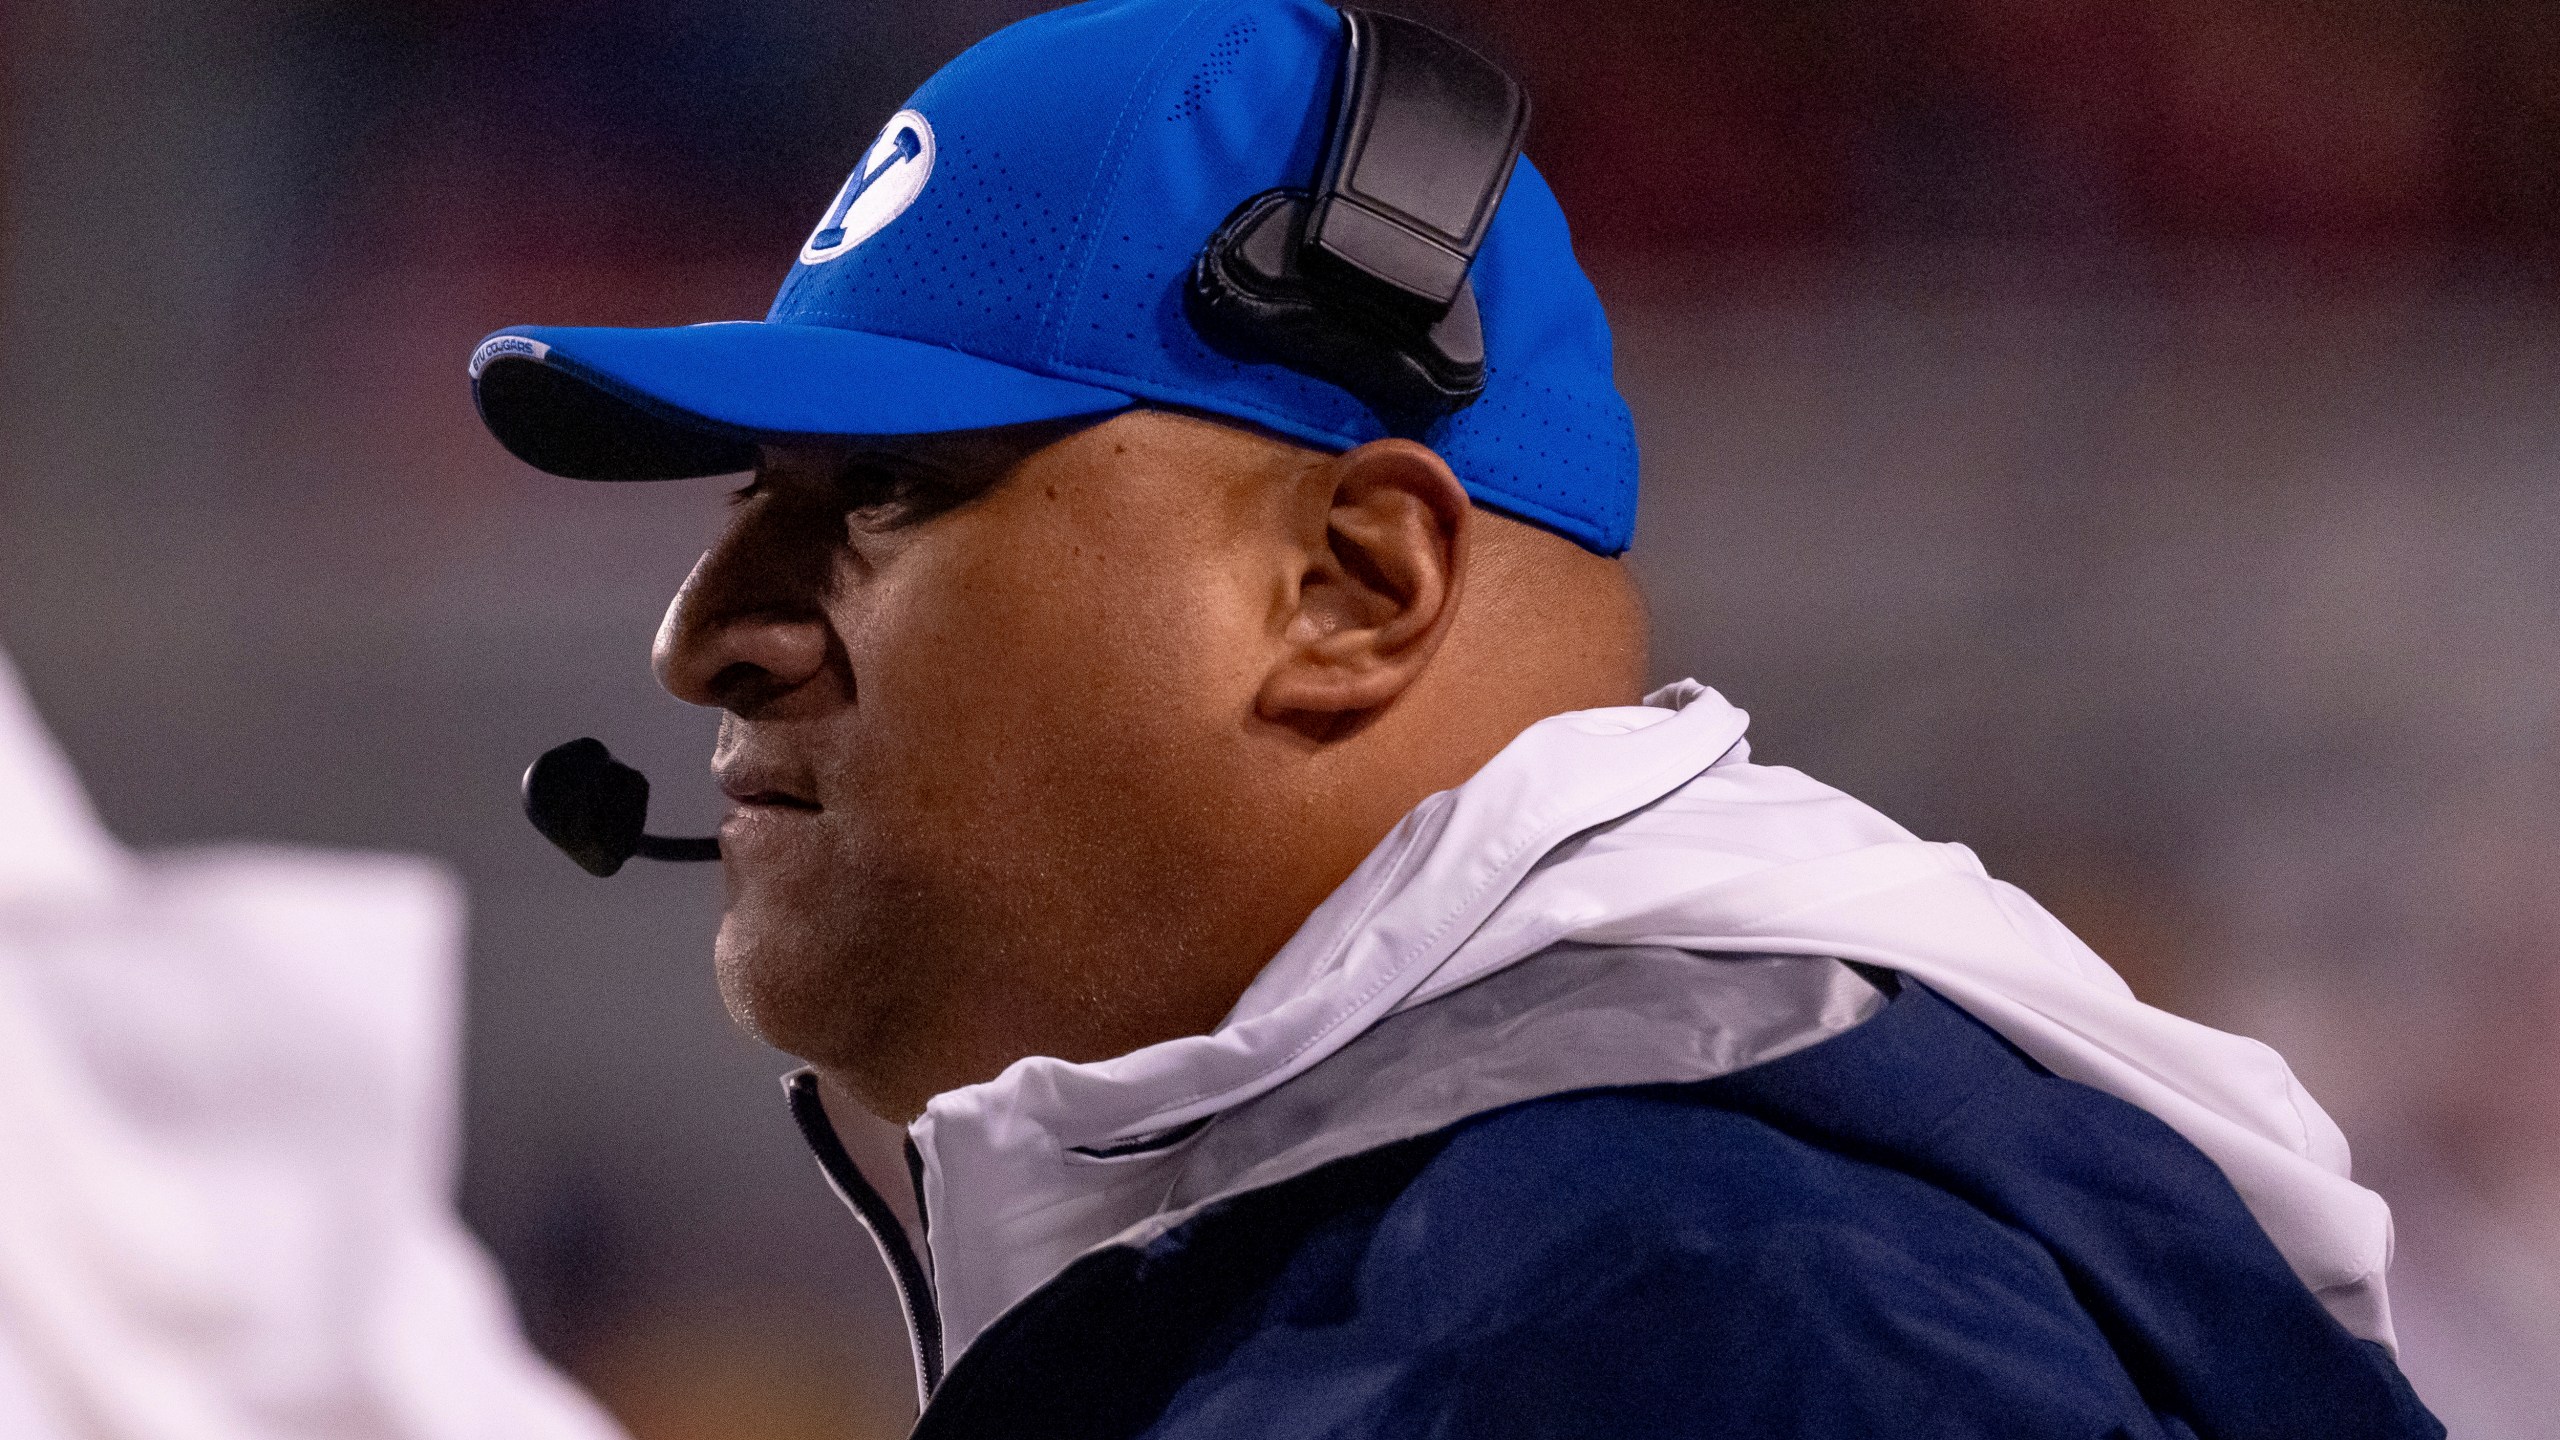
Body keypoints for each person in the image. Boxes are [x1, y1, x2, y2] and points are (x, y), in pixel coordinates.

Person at [467, 0, 2443, 1434]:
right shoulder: (1556, 1268)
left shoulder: (1720, 1322)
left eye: (875, 500)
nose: (700, 636)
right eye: (745, 509)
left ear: (1351, 586)